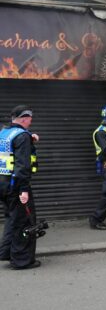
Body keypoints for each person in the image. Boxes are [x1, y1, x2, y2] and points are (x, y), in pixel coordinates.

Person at [0, 105, 40, 269]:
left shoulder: (4, 133)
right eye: (30, 118)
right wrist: (23, 189)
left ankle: (6, 252)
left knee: (11, 219)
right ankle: (21, 260)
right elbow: (22, 165)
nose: (31, 121)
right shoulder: (22, 136)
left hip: (3, 184)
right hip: (16, 185)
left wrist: (30, 137)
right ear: (24, 118)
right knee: (23, 221)